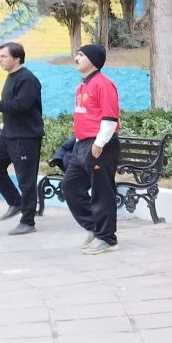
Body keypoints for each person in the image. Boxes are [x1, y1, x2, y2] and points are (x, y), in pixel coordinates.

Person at [63, 44, 121, 255]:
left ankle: (107, 238)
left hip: (100, 145)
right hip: (82, 145)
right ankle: (94, 228)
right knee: (70, 187)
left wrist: (99, 144)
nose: (76, 58)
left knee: (102, 193)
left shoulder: (103, 84)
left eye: (81, 55)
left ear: (93, 60)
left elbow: (110, 117)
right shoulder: (82, 84)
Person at [0, 42, 44, 235]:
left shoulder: (27, 79)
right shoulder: (11, 77)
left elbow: (20, 106)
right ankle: (16, 202)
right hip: (8, 135)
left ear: (17, 58)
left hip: (25, 137)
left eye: (4, 56)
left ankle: (28, 221)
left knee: (26, 180)